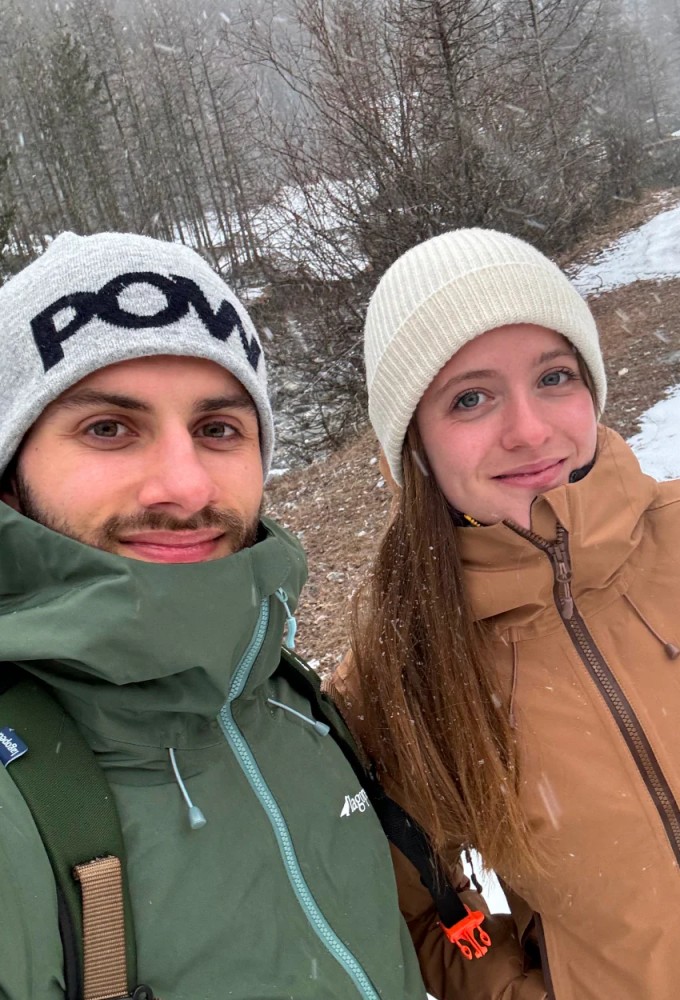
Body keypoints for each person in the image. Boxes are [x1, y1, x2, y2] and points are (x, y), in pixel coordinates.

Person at [0, 232, 428, 1000]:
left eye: (217, 429)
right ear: (10, 475)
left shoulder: (294, 703)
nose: (187, 486)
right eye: (109, 428)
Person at [329, 227, 680, 1000]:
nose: (529, 429)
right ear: (413, 448)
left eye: (554, 376)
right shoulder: (399, 677)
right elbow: (427, 914)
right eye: (471, 398)